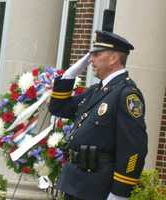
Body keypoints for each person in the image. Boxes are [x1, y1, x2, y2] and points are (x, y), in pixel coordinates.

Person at [49, 31, 148, 200]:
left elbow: (134, 148)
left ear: (114, 58)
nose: (91, 60)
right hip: (75, 184)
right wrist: (70, 75)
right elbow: (59, 107)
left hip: (98, 188)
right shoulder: (95, 91)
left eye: (96, 54)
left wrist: (119, 193)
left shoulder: (126, 94)